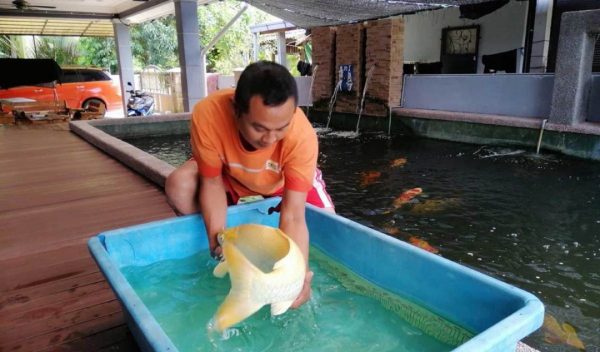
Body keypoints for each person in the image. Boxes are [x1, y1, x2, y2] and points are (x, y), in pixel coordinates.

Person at [165, 61, 335, 308]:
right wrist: (217, 240)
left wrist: (297, 275)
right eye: (259, 127)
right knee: (178, 185)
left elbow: (294, 215)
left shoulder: (302, 135)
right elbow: (211, 182)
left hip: (281, 182)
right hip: (231, 177)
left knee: (329, 225)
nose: (270, 139)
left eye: (281, 128)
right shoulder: (209, 114)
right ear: (236, 109)